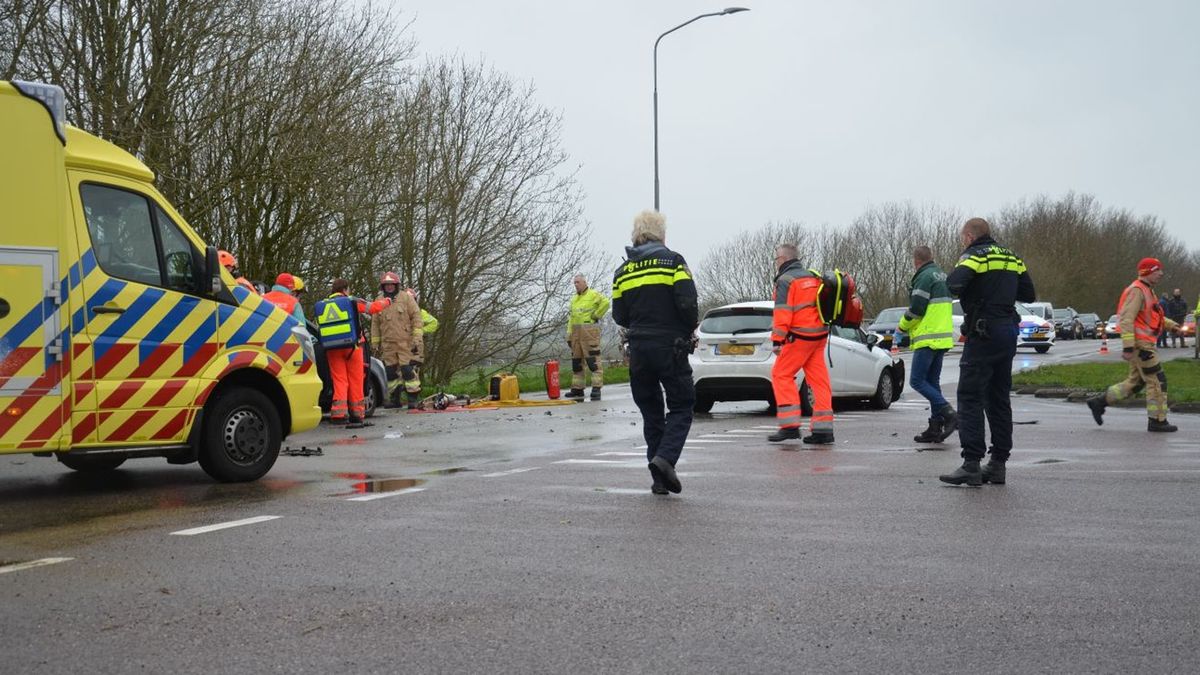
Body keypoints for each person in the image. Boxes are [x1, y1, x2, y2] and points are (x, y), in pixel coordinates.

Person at [939, 218, 1036, 486]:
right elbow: (1028, 294)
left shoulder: (974, 255)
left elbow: (953, 285)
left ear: (969, 236)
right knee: (999, 398)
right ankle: (998, 464)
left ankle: (971, 463)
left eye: (962, 238)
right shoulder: (1012, 257)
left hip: (983, 331)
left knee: (970, 396)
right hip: (1008, 331)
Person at [612, 210, 698, 496]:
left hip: (638, 350)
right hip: (670, 347)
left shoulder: (622, 272)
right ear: (661, 234)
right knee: (682, 405)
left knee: (652, 413)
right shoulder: (674, 262)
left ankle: (659, 478)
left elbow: (619, 315)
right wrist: (687, 329)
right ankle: (665, 459)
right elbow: (687, 303)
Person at [1086, 258, 1179, 433]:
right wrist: (1128, 347)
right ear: (1147, 272)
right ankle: (1157, 420)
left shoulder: (1147, 290)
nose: (1161, 273)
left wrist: (1173, 326)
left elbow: (1154, 317)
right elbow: (1127, 319)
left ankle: (1099, 402)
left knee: (1135, 383)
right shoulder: (1137, 291)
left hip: (1142, 346)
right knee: (1157, 381)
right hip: (1142, 347)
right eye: (1157, 270)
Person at [766, 244, 834, 445]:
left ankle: (790, 426)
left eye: (776, 259)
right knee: (819, 381)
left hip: (800, 337)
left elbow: (783, 313)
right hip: (819, 336)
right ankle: (823, 431)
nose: (776, 263)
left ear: (782, 259)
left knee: (781, 374)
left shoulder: (785, 280)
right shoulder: (813, 277)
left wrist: (778, 339)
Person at [898, 246, 957, 443]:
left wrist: (901, 327)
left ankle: (948, 413)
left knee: (917, 381)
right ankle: (935, 425)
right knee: (932, 382)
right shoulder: (942, 275)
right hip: (942, 338)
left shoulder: (924, 277)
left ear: (916, 261)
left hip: (928, 337)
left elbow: (916, 309)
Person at [314, 279, 391, 428]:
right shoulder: (352, 301)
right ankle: (357, 415)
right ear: (345, 289)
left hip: (332, 349)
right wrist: (387, 301)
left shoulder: (322, 305)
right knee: (356, 380)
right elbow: (373, 308)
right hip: (353, 347)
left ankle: (339, 414)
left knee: (339, 380)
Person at [371, 272, 424, 409]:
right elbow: (375, 323)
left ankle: (413, 398)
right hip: (388, 344)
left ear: (396, 285)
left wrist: (416, 337)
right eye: (386, 285)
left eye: (391, 285)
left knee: (407, 370)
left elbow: (416, 317)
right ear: (383, 287)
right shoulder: (379, 300)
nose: (389, 287)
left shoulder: (406, 298)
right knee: (390, 372)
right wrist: (375, 343)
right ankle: (395, 398)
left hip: (405, 342)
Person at [565, 274, 610, 401]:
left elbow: (606, 303)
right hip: (576, 332)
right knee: (577, 363)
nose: (576, 285)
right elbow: (571, 318)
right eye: (574, 283)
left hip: (589, 331)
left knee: (593, 361)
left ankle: (596, 388)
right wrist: (569, 334)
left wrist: (596, 315)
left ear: (585, 282)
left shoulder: (593, 294)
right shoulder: (574, 299)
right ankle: (577, 389)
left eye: (578, 282)